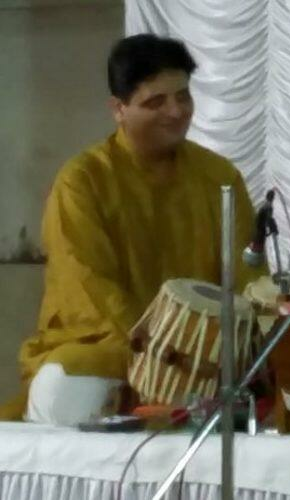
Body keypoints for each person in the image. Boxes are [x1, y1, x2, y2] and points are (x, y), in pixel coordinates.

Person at [0, 34, 261, 425]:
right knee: (65, 388)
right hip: (113, 347)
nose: (176, 111)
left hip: (205, 358)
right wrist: (159, 349)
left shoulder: (219, 176)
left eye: (183, 96)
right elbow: (87, 282)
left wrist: (226, 348)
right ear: (118, 109)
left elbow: (247, 278)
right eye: (156, 102)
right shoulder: (83, 180)